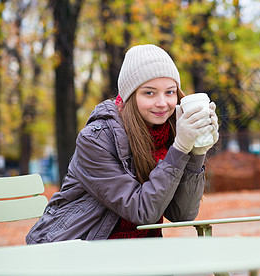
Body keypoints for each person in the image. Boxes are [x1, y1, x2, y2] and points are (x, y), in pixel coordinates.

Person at [26, 44, 219, 243]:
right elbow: (142, 211)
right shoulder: (95, 140)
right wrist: (180, 148)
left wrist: (196, 153)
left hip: (140, 254)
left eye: (170, 92)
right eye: (149, 93)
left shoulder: (168, 132)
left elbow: (182, 215)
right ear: (130, 96)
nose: (162, 103)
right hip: (76, 250)